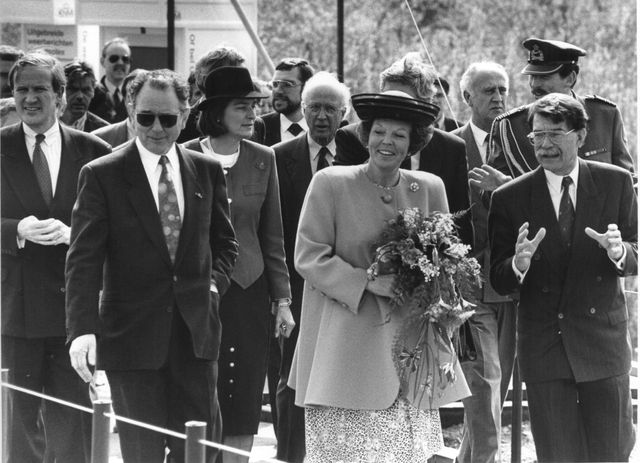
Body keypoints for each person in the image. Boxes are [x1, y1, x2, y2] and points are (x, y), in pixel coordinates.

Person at [66, 69, 238, 463]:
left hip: (195, 338)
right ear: (130, 110)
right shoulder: (102, 174)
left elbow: (226, 243)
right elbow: (83, 260)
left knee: (198, 453)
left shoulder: (206, 170)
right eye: (146, 117)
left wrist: (212, 286)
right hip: (132, 342)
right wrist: (81, 330)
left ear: (186, 112)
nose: (156, 128)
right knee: (141, 454)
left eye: (168, 118)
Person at [289, 90, 470, 462]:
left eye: (399, 135)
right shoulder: (330, 182)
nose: (386, 142)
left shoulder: (429, 187)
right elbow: (308, 256)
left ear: (412, 143)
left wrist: (434, 285)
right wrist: (366, 281)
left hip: (408, 353)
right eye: (379, 132)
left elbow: (444, 256)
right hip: (342, 351)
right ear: (365, 135)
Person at [489, 93, 637, 462]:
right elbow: (498, 278)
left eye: (555, 134)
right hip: (545, 345)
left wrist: (618, 252)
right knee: (556, 454)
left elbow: (636, 252)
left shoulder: (616, 182)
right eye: (537, 136)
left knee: (613, 451)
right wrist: (518, 264)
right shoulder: (510, 197)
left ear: (581, 136)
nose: (544, 145)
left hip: (602, 341)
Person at [1, 51, 112, 463]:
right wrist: (15, 231)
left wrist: (78, 235)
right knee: (17, 428)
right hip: (14, 310)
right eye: (21, 90)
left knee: (73, 428)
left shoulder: (95, 150)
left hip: (74, 313)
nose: (30, 98)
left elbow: (118, 226)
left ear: (60, 96)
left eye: (39, 89)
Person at [182, 66, 292, 463]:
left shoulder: (264, 159)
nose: (252, 115)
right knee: (200, 390)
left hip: (250, 291)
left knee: (245, 393)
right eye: (242, 107)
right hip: (200, 291)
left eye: (254, 107)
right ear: (215, 112)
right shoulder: (186, 155)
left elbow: (273, 237)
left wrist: (283, 301)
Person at [272, 71, 350, 463]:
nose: (322, 116)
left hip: (346, 288)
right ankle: (290, 455)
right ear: (302, 111)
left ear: (344, 113)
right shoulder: (277, 157)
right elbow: (272, 231)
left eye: (330, 109)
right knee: (291, 378)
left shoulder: (360, 157)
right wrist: (279, 293)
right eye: (314, 108)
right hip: (295, 286)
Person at [334, 52, 474, 250]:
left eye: (404, 103)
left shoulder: (452, 148)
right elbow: (340, 205)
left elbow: (459, 223)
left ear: (425, 105)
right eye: (388, 99)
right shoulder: (352, 138)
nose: (394, 109)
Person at [451, 61, 516, 463]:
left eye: (503, 90)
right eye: (488, 90)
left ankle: (468, 459)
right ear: (467, 97)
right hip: (468, 283)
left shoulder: (523, 144)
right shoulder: (448, 145)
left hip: (513, 279)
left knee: (500, 382)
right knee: (484, 377)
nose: (498, 98)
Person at [473, 38, 634, 193]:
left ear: (570, 78)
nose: (535, 85)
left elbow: (628, 184)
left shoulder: (605, 115)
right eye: (532, 76)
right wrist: (507, 187)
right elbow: (490, 195)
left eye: (544, 77)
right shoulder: (508, 127)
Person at [261, 58, 315, 146]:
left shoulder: (321, 125)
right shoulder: (260, 127)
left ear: (306, 88)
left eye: (287, 84)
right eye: (275, 84)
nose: (278, 91)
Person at [91, 69, 143, 148]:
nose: (135, 100)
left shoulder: (165, 136)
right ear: (125, 99)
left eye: (142, 94)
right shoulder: (98, 138)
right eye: (130, 95)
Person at [88, 37, 131, 123]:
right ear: (102, 61)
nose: (120, 63)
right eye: (114, 58)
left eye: (125, 59)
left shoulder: (135, 95)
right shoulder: (91, 94)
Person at [60, 61, 110, 132]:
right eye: (73, 89)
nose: (80, 96)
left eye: (86, 90)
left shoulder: (105, 131)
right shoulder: (45, 125)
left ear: (93, 92)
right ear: (61, 91)